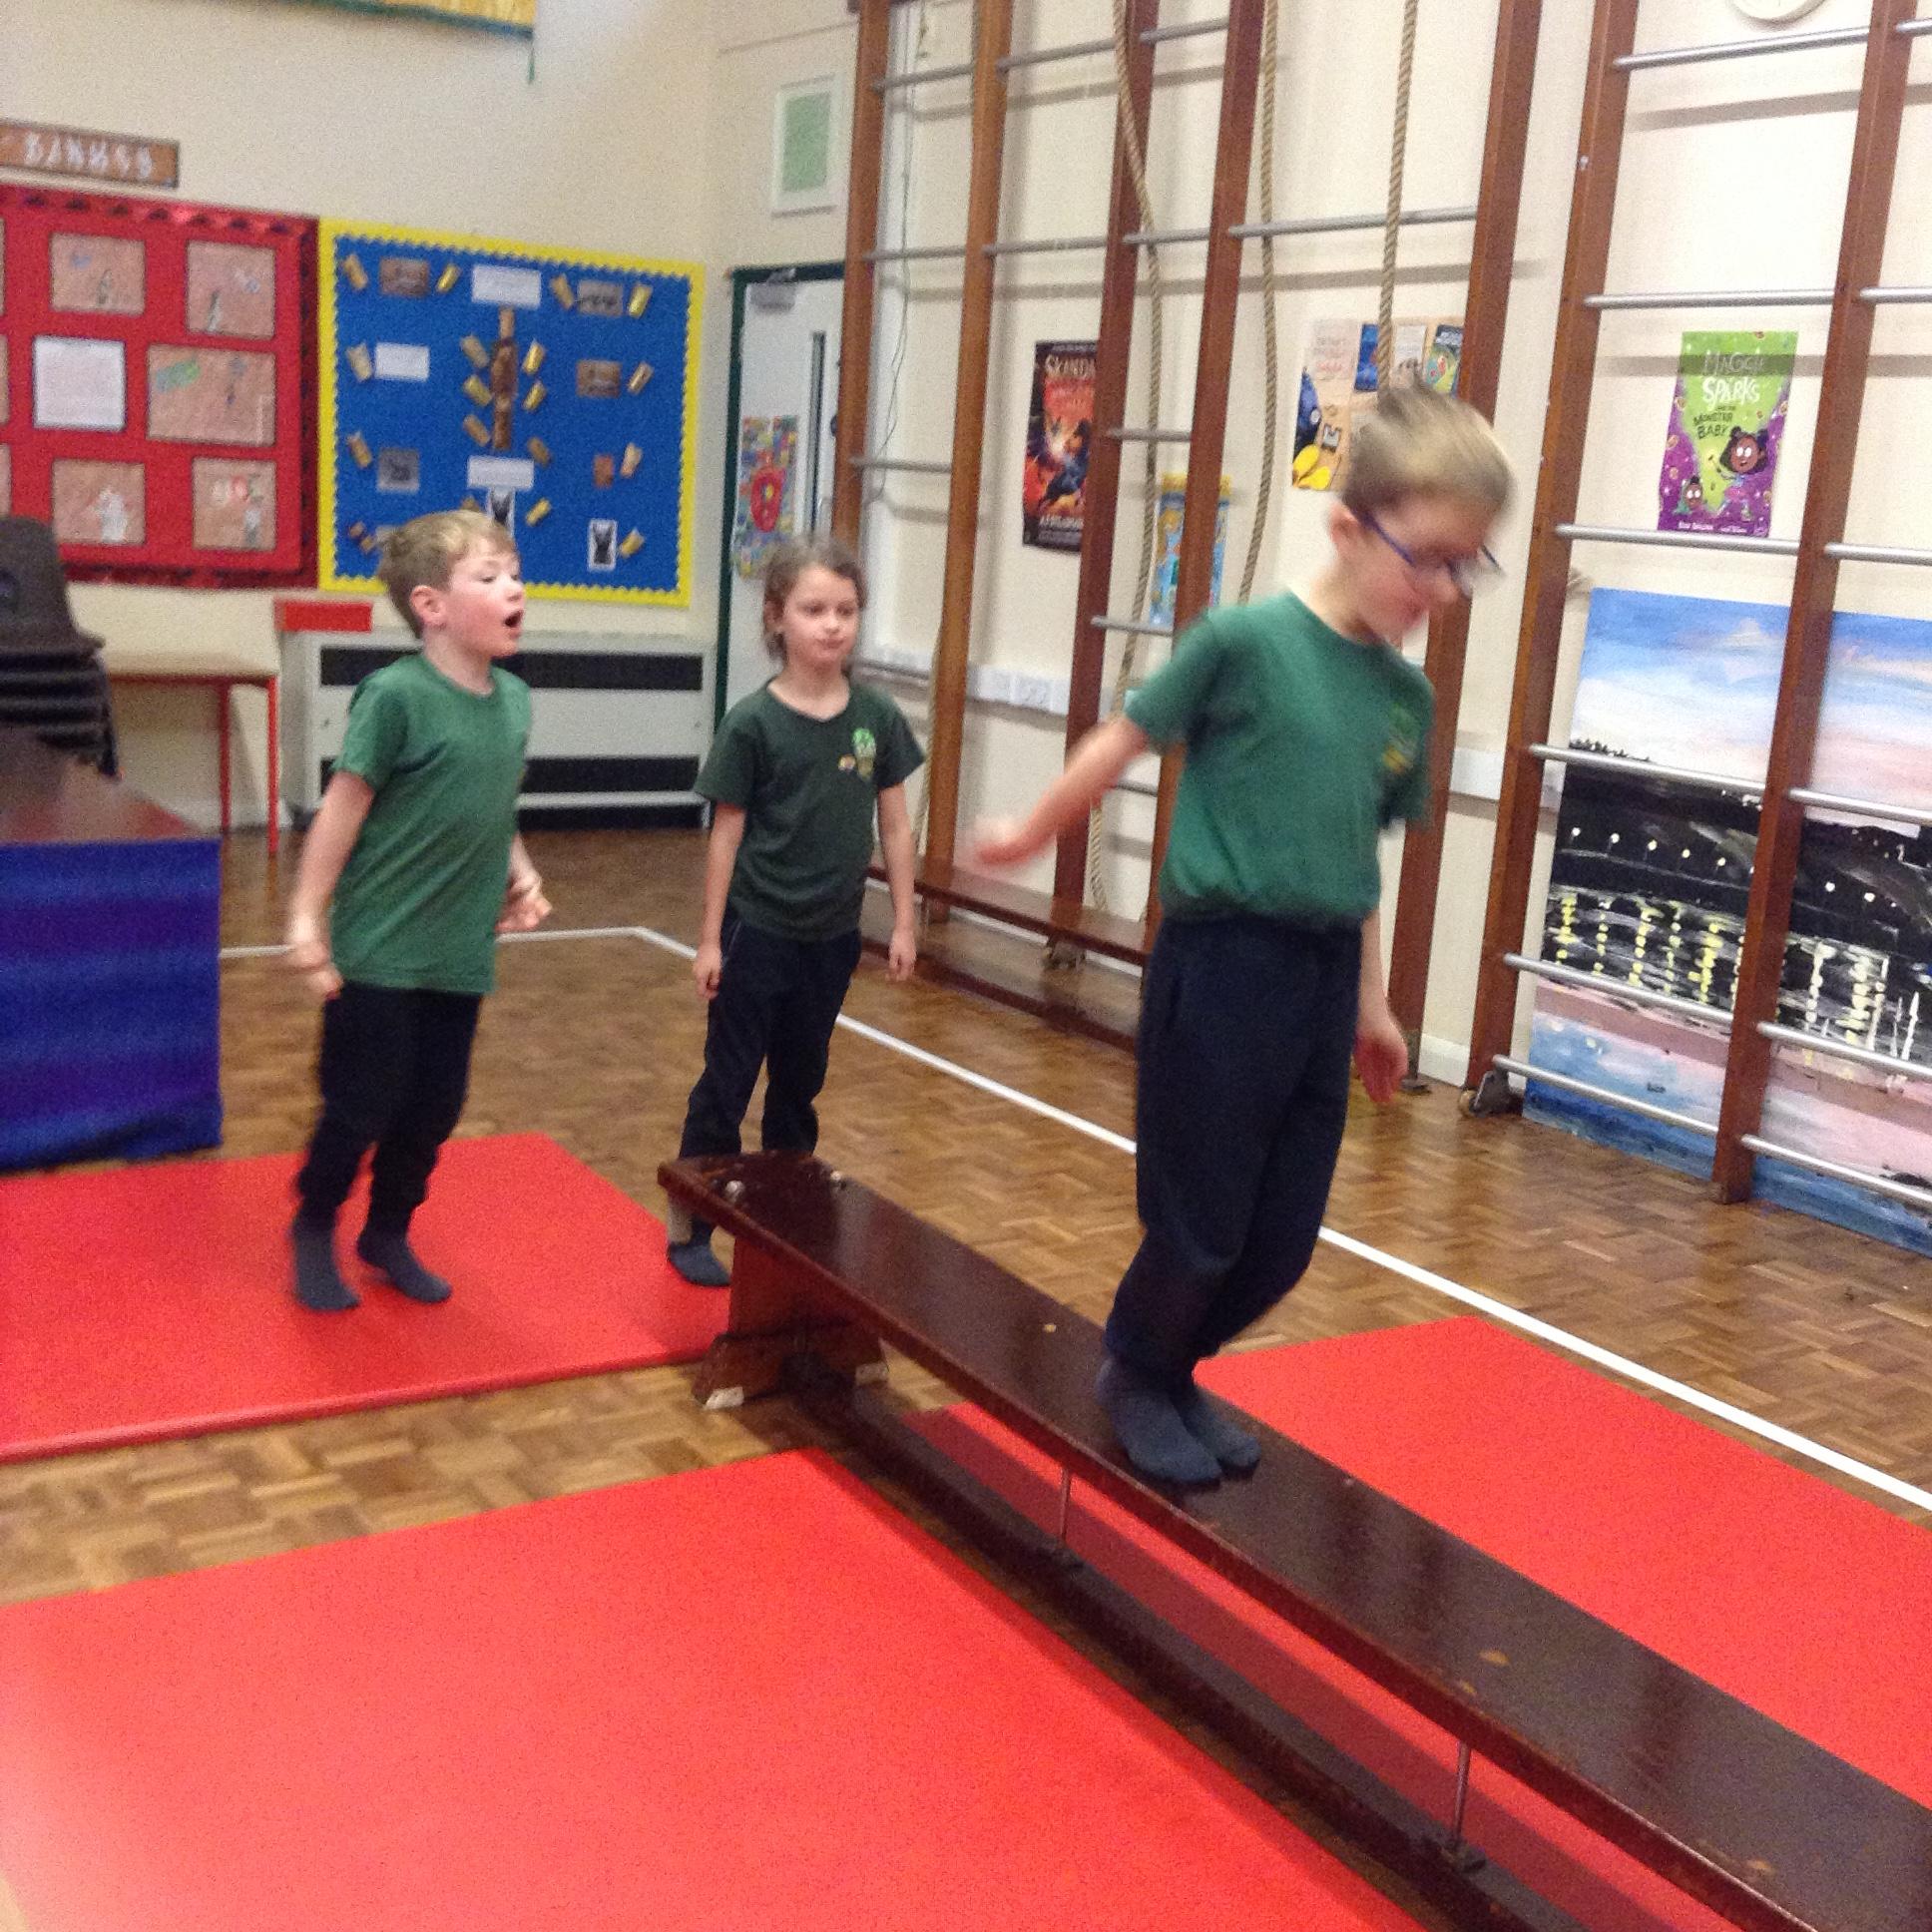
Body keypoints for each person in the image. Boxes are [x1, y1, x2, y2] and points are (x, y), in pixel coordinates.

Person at [977, 387, 1512, 1483]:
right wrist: (1029, 831)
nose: (1446, 591)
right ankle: (1137, 1370)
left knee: (1281, 1240)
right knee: (1201, 1219)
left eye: (1468, 567)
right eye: (1429, 560)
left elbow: (1358, 861)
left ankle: (1172, 1366)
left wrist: (1371, 1006)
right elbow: (1125, 737)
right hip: (1222, 967)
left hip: (1320, 976)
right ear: (1348, 527)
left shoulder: (1402, 699)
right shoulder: (1243, 643)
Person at [283, 508, 550, 1312]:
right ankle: (314, 1221)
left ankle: (388, 1229)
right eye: (490, 576)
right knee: (361, 1101)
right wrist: (305, 919)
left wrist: (522, 873)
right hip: (381, 948)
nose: (515, 588)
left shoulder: (514, 701)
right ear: (431, 606)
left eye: (515, 573)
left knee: (436, 1105)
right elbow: (343, 809)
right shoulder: (395, 697)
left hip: (459, 950)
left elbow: (494, 803)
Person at [667, 537, 923, 1285]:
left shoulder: (876, 716)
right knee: (727, 1083)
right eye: (814, 610)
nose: (832, 624)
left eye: (846, 610)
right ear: (777, 618)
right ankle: (691, 1223)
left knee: (798, 1087)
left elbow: (896, 826)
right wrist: (710, 940)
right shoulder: (753, 722)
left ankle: (783, 1225)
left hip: (831, 935)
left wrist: (903, 921)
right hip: (758, 930)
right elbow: (727, 834)